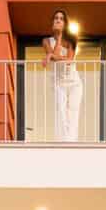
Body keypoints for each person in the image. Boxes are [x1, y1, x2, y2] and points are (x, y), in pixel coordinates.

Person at [43, 9, 82, 141]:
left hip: (74, 82)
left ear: (65, 23)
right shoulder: (46, 41)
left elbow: (69, 60)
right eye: (56, 18)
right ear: (52, 22)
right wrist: (59, 37)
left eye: (61, 18)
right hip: (58, 82)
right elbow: (55, 57)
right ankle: (62, 141)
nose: (58, 20)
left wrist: (50, 56)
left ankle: (71, 142)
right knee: (61, 112)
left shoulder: (72, 40)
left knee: (73, 112)